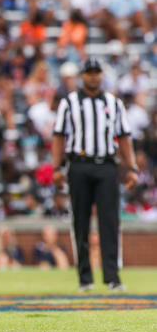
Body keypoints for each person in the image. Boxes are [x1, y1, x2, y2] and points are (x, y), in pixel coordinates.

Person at [52, 58, 139, 292]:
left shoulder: (113, 103)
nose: (93, 77)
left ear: (101, 75)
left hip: (107, 166)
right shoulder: (69, 102)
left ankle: (112, 277)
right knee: (80, 222)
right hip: (79, 165)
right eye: (89, 73)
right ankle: (85, 279)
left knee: (110, 222)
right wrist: (57, 167)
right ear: (82, 76)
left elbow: (124, 137)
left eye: (96, 73)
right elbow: (59, 136)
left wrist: (131, 168)